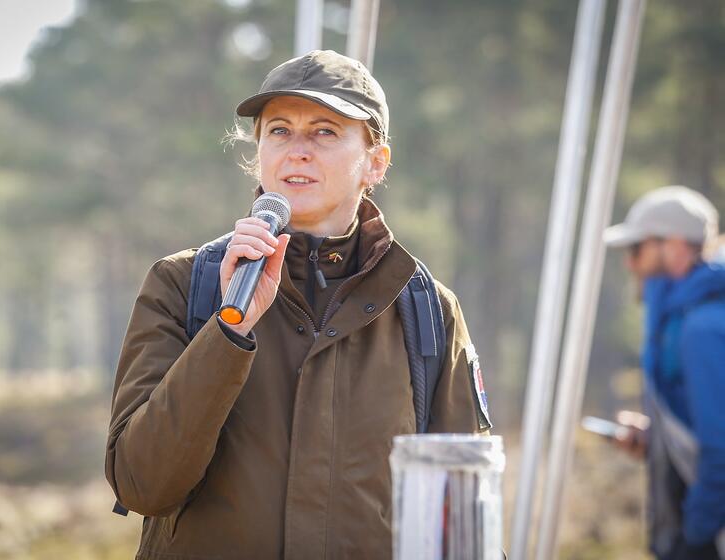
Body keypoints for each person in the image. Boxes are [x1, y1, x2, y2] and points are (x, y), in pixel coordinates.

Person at [105, 50, 490, 559]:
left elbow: (461, 525)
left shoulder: (427, 309)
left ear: (375, 162)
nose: (297, 151)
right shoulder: (180, 283)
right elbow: (142, 485)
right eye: (280, 130)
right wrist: (228, 330)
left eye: (325, 131)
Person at [603, 185, 725, 560]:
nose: (630, 264)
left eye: (636, 249)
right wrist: (656, 438)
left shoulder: (702, 328)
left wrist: (694, 537)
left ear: (673, 246)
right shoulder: (687, 321)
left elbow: (721, 450)